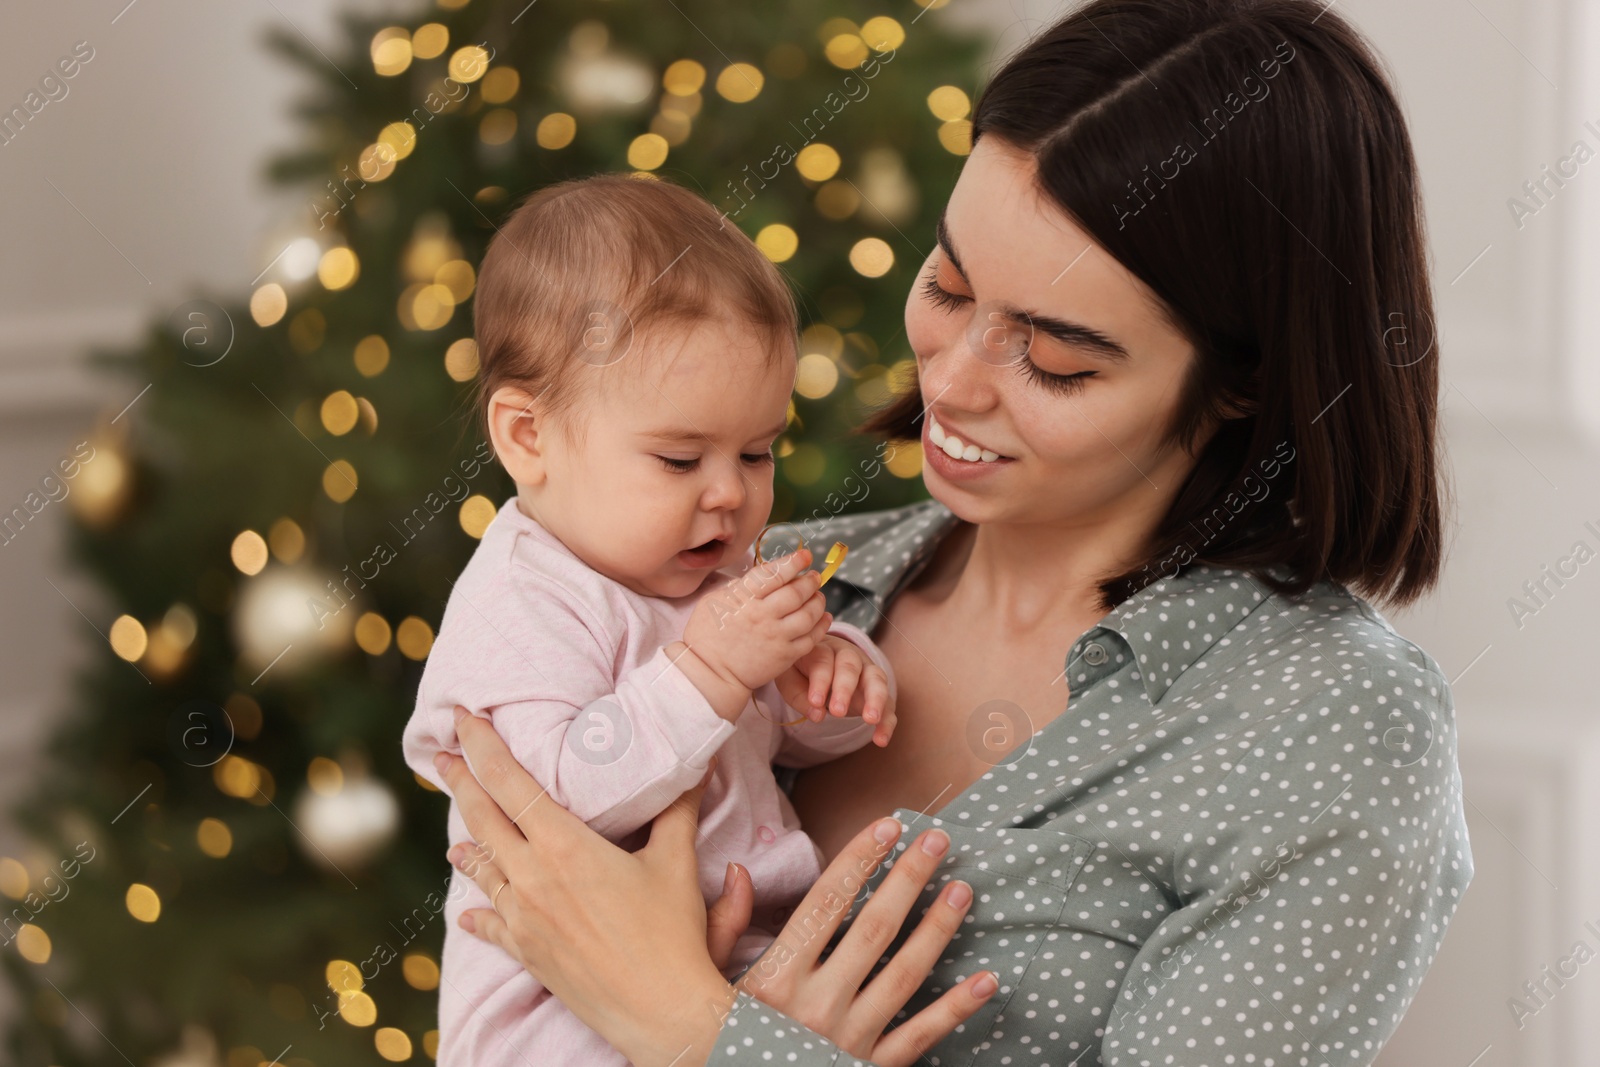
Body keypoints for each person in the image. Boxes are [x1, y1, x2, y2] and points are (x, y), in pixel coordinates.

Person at [429, 0, 1475, 1063]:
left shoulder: (1329, 728)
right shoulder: (764, 581)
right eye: (949, 283)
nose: (952, 380)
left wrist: (689, 1023)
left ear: (1240, 386)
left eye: (1058, 356)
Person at [402, 175, 915, 1067]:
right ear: (529, 437)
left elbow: (781, 744)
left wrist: (826, 675)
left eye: (757, 451)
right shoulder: (522, 601)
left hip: (733, 972)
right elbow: (549, 804)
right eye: (680, 458)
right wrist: (715, 671)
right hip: (554, 1011)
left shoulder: (716, 567)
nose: (730, 492)